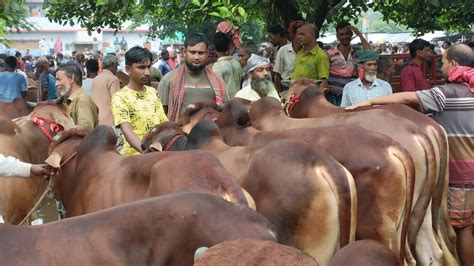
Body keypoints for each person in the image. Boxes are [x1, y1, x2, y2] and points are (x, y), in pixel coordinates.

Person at [346, 44, 473, 266]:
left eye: (442, 62)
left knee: (462, 229)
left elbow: (407, 98)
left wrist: (369, 102)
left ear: (453, 64)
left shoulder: (448, 94)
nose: (441, 65)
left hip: (462, 175)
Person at [158, 33, 228, 122]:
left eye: (201, 53)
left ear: (207, 54)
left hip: (211, 133)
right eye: (192, 52)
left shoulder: (218, 80)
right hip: (181, 133)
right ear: (184, 52)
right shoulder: (168, 80)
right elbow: (161, 114)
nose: (196, 57)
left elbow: (225, 109)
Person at [111, 46, 168, 156]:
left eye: (148, 67)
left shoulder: (152, 92)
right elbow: (127, 131)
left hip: (158, 154)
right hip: (136, 159)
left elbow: (163, 123)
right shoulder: (120, 97)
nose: (147, 72)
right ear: (128, 69)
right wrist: (147, 153)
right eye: (141, 67)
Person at [326, 21, 371, 105]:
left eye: (347, 34)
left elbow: (371, 54)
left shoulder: (356, 52)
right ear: (337, 36)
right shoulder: (329, 53)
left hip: (351, 95)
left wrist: (359, 34)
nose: (344, 37)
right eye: (341, 34)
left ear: (351, 35)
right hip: (332, 96)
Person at [56, 64, 98, 132]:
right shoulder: (66, 100)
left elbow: (85, 128)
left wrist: (60, 129)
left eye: (59, 80)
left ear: (71, 79)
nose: (56, 84)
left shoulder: (82, 100)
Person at [292, 23, 330, 89]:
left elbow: (324, 83)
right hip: (295, 94)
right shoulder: (300, 53)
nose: (298, 37)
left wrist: (316, 98)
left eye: (302, 34)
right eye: (298, 34)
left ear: (312, 35)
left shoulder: (320, 56)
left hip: (309, 95)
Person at [212, 32, 243, 98]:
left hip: (225, 105)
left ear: (214, 47)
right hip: (238, 101)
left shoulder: (217, 66)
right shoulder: (237, 63)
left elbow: (217, 89)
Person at [92, 54, 120, 126]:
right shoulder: (113, 79)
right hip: (110, 119)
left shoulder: (96, 79)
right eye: (116, 65)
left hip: (96, 118)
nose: (117, 68)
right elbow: (116, 101)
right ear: (113, 65)